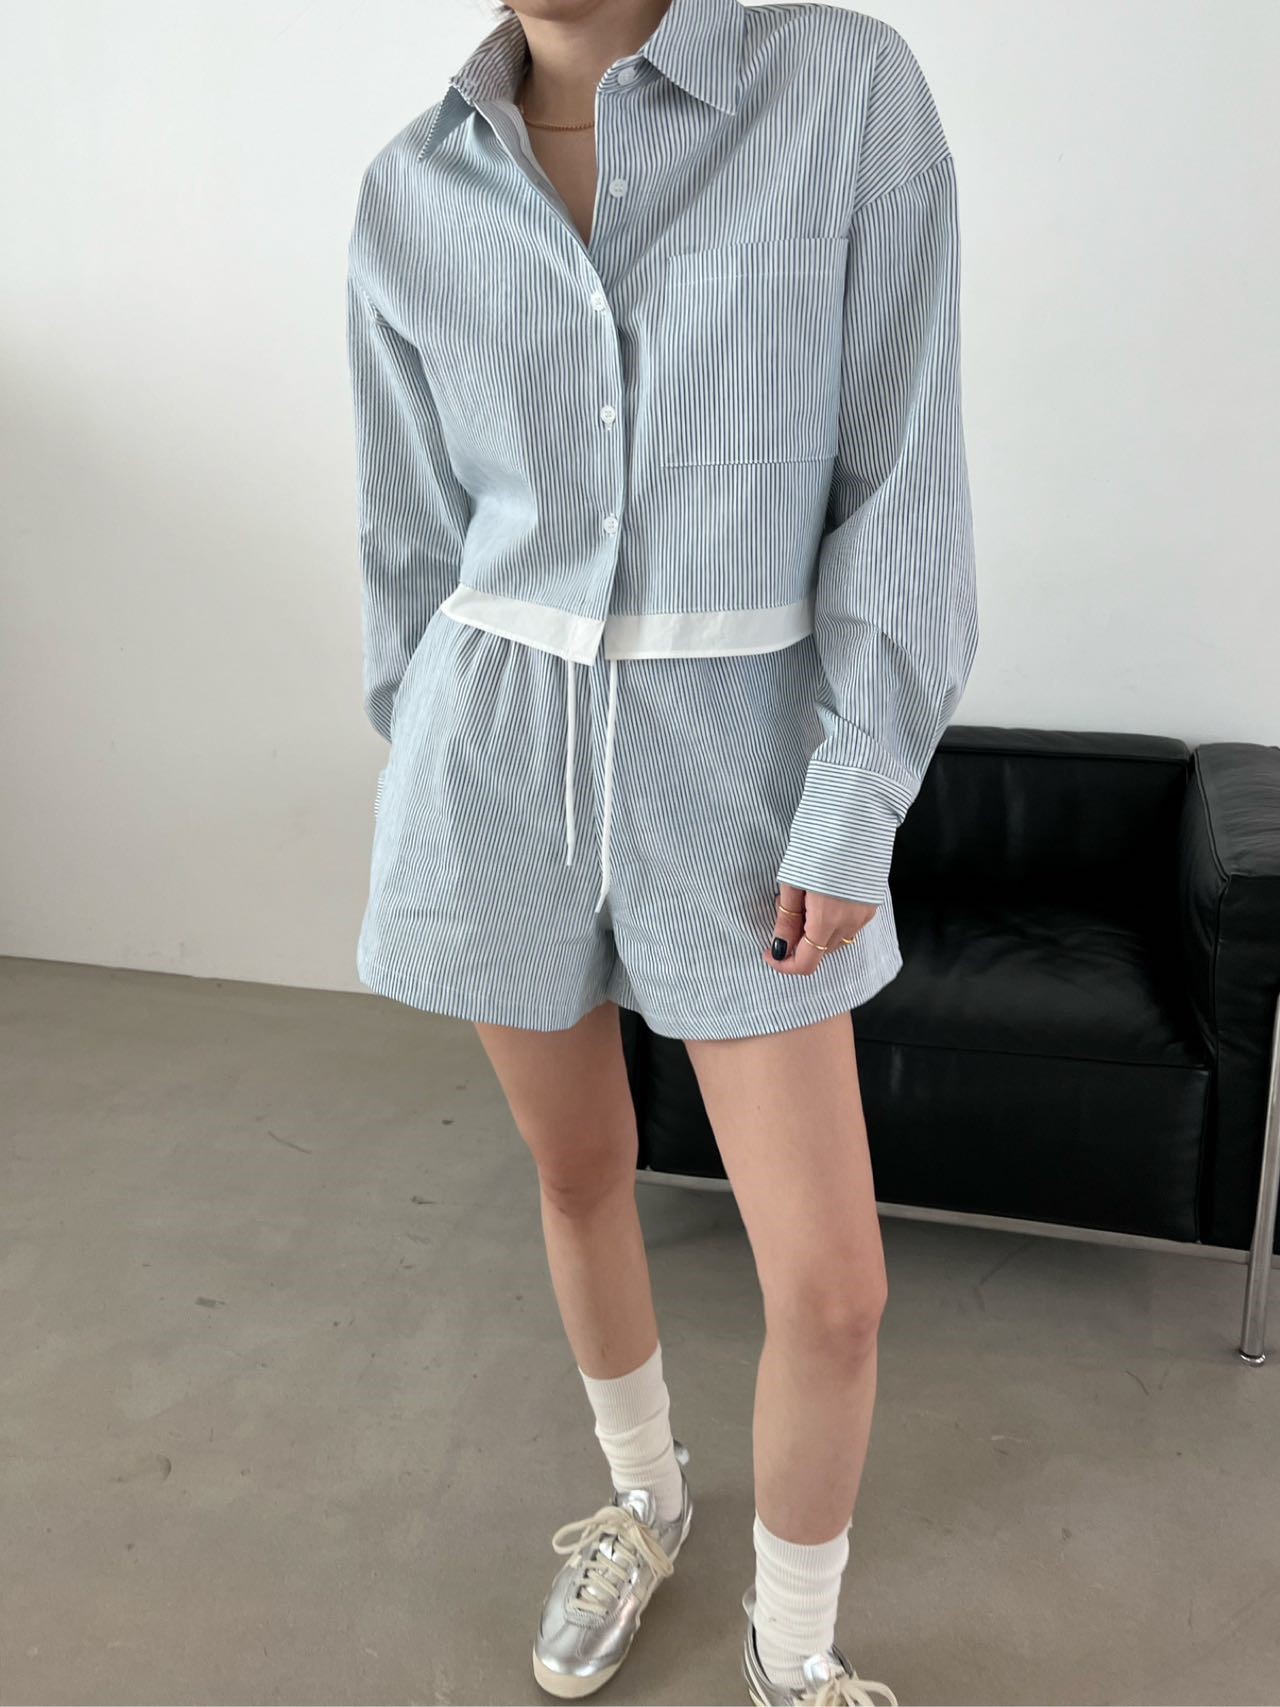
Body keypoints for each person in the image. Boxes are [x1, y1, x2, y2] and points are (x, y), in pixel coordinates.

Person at [343, 0, 977, 1699]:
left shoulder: (841, 89)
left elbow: (904, 484)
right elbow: (409, 538)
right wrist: (435, 770)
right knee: (578, 1170)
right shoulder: (412, 188)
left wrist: (854, 796)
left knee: (833, 1287)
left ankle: (796, 1650)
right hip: (498, 751)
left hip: (744, 764)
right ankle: (642, 1502)